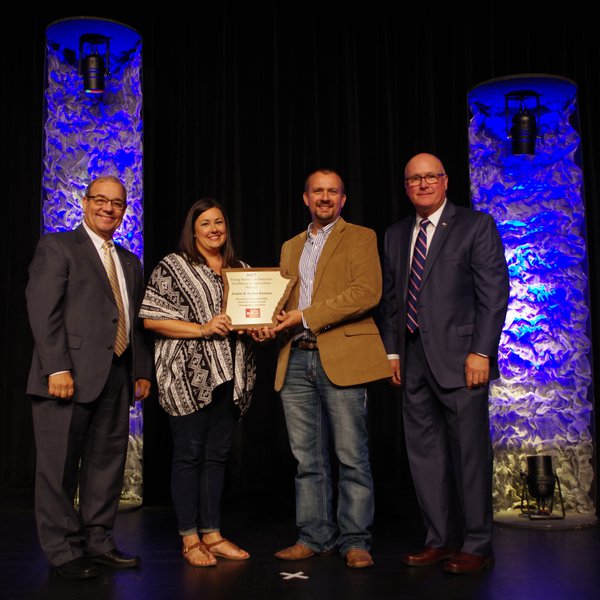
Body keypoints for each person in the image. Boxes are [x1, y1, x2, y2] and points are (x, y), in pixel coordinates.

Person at [252, 168, 391, 569]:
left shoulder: (361, 237)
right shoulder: (290, 246)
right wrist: (267, 323)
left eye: (333, 192)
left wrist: (303, 317)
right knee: (306, 458)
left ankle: (355, 540)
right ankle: (314, 536)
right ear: (306, 198)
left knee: (351, 455)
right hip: (295, 357)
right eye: (318, 191)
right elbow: (281, 302)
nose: (325, 198)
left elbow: (365, 294)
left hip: (342, 356)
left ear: (343, 200)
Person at [380, 152, 509, 574]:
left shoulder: (476, 226)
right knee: (425, 456)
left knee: (470, 455)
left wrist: (482, 352)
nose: (422, 184)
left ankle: (477, 544)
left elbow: (494, 295)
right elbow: (394, 299)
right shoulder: (396, 235)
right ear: (405, 186)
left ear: (445, 181)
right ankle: (438, 539)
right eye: (413, 179)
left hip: (462, 360)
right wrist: (393, 352)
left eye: (430, 177)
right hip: (413, 360)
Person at [25, 175, 153, 579]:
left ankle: (97, 541)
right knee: (58, 466)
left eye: (117, 203)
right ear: (84, 202)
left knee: (106, 464)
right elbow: (43, 312)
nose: (108, 208)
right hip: (66, 376)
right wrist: (57, 367)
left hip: (116, 376)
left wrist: (141, 370)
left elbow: (134, 322)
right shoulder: (58, 246)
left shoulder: (129, 260)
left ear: (124, 209)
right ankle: (63, 551)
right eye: (100, 200)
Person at [140, 197, 256, 568]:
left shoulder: (241, 270)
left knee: (217, 456)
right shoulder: (173, 267)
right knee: (189, 455)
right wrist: (202, 328)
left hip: (230, 375)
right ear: (193, 230)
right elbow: (152, 319)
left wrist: (262, 328)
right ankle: (189, 538)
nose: (214, 229)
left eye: (219, 222)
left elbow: (252, 319)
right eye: (205, 223)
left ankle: (212, 534)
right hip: (187, 377)